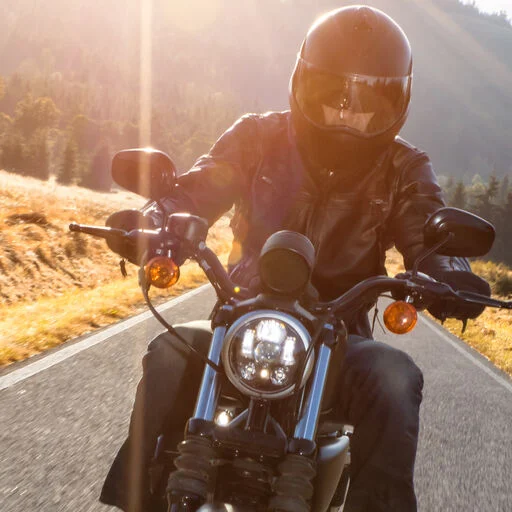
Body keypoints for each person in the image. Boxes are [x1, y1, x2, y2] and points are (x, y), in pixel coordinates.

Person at [100, 5, 491, 512]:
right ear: (306, 84)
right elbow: (198, 188)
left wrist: (448, 273)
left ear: (396, 101)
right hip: (241, 317)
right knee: (167, 355)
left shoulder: (403, 167)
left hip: (340, 336)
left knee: (395, 378)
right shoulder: (256, 137)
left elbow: (427, 226)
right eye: (334, 94)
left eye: (368, 101)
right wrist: (160, 218)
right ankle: (138, 501)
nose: (348, 112)